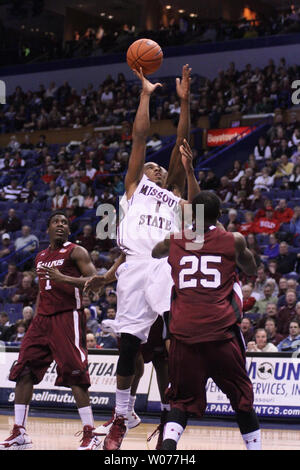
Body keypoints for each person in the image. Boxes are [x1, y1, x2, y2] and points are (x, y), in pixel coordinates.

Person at [85, 65, 199, 451]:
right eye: (151, 165)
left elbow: (182, 142)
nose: (155, 166)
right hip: (134, 266)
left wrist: (184, 104)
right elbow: (139, 138)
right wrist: (146, 94)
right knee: (129, 348)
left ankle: (173, 413)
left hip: (163, 264)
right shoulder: (134, 188)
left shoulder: (173, 192)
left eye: (159, 166)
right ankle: (121, 416)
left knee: (175, 335)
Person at [152, 190, 261, 450]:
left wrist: (183, 236)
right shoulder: (233, 240)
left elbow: (156, 252)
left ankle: (166, 450)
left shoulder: (175, 240)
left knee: (180, 401)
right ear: (220, 215)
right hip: (220, 333)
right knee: (242, 399)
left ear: (194, 215)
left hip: (184, 334)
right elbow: (252, 269)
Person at [0, 211, 101, 450]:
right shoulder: (41, 256)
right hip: (41, 320)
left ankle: (91, 434)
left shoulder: (77, 251)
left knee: (76, 374)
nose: (60, 225)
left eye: (65, 223)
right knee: (23, 370)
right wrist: (34, 319)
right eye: (56, 222)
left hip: (67, 317)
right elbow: (42, 291)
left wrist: (64, 278)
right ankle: (19, 432)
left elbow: (96, 281)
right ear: (47, 229)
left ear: (68, 229)